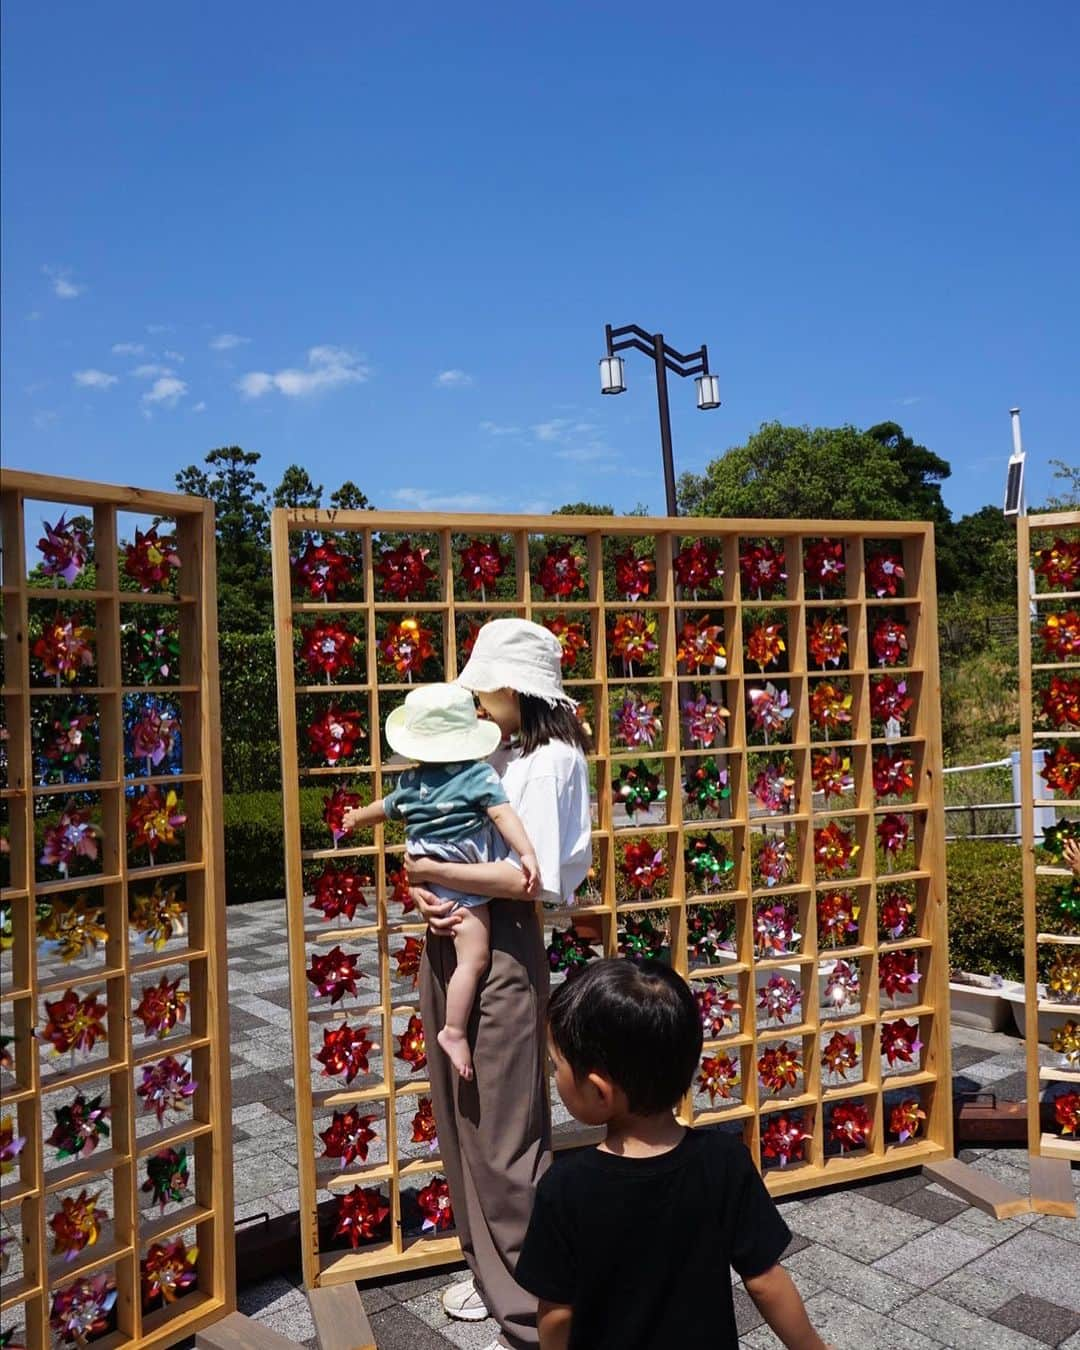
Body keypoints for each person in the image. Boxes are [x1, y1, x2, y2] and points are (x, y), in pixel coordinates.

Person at [406, 619, 592, 1350]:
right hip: (464, 932)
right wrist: (431, 892)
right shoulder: (511, 749)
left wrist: (432, 875)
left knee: (506, 1131)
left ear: (513, 688)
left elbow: (530, 877)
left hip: (504, 943)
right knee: (465, 1118)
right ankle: (494, 1274)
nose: (475, 703)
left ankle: (534, 1305)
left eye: (481, 689)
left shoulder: (548, 760)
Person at [516, 959, 830, 1350]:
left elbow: (557, 1314)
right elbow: (765, 1280)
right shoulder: (723, 1161)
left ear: (599, 1090)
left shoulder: (565, 1188)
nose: (555, 1076)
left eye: (556, 1066)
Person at [342, 682, 541, 1080]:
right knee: (474, 959)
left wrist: (354, 818)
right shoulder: (478, 776)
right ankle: (453, 1030)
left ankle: (452, 1027)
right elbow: (503, 816)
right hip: (467, 884)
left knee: (460, 958)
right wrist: (527, 853)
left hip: (430, 879)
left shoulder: (412, 784)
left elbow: (383, 809)